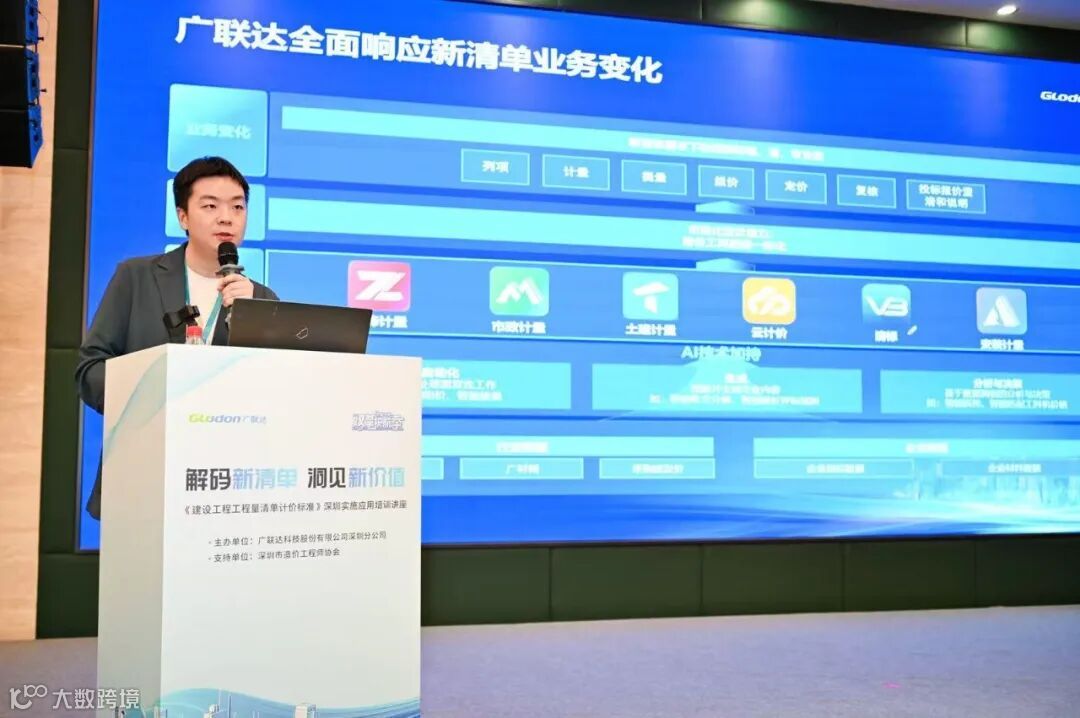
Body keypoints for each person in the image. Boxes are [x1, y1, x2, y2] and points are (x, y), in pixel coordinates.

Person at [76, 156, 278, 519]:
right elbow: (90, 370)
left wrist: (254, 317)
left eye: (237, 207)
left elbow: (276, 393)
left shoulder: (262, 299)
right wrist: (159, 388)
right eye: (210, 206)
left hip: (229, 486)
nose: (227, 218)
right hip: (144, 474)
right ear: (183, 217)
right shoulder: (136, 277)